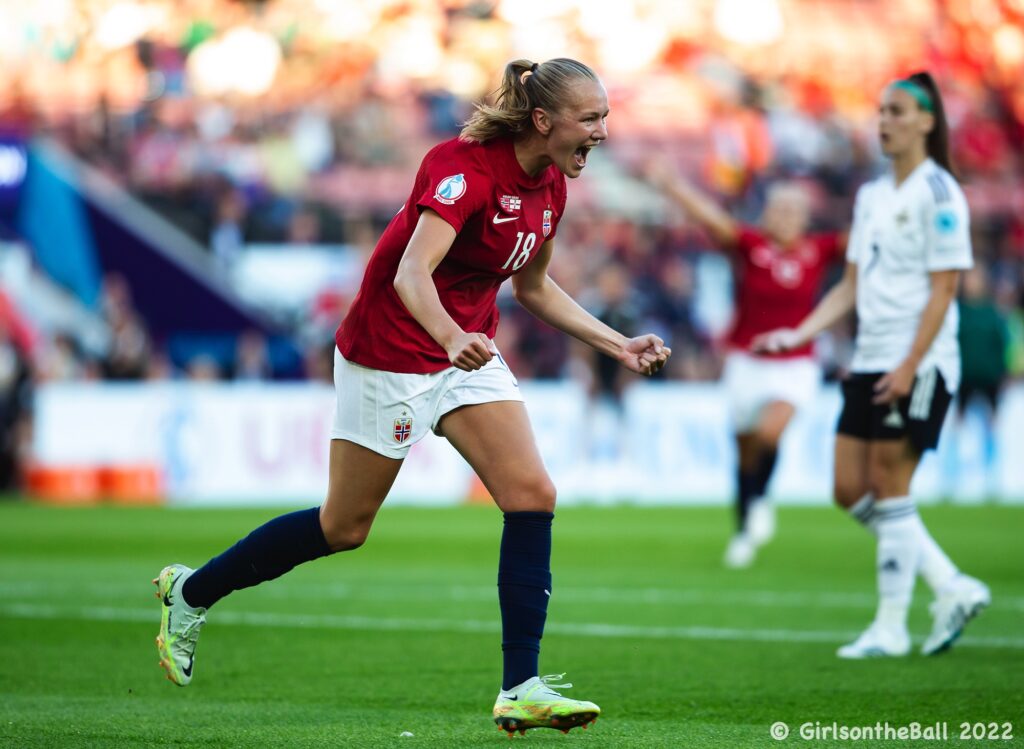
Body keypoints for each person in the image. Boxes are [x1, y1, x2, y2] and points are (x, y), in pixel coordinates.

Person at [153, 58, 670, 735]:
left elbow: (535, 288)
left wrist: (617, 343)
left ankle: (521, 685)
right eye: (592, 118)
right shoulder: (463, 168)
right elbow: (410, 272)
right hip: (390, 352)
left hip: (463, 352)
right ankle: (192, 593)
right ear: (544, 120)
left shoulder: (551, 186)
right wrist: (452, 334)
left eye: (604, 116)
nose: (603, 131)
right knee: (344, 527)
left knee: (532, 494)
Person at [754, 72, 990, 658]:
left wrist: (911, 364)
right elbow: (850, 286)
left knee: (889, 486)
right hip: (868, 357)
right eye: (881, 110)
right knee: (846, 488)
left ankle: (890, 625)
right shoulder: (870, 195)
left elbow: (943, 292)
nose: (885, 121)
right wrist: (799, 333)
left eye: (900, 111)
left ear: (928, 122)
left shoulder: (939, 195)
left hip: (919, 361)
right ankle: (951, 584)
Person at [644, 166, 842, 568]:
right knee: (746, 451)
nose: (786, 217)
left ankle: (761, 502)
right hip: (745, 361)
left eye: (793, 210)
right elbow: (711, 220)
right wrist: (673, 184)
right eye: (779, 209)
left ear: (806, 217)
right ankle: (743, 529)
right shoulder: (752, 245)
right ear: (767, 214)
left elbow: (869, 238)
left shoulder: (819, 250)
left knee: (772, 432)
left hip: (795, 363)